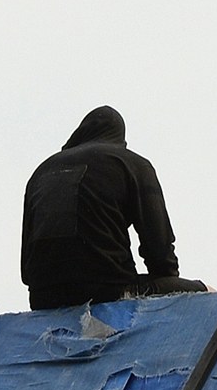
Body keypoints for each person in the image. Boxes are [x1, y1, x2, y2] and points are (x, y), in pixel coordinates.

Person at [21, 106, 203, 310]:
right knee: (204, 291)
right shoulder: (133, 164)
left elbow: (26, 269)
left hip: (42, 298)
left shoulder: (40, 172)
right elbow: (159, 251)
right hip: (109, 292)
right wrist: (169, 284)